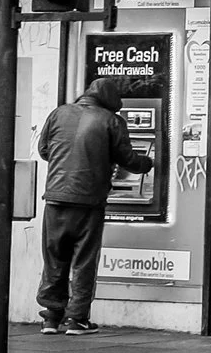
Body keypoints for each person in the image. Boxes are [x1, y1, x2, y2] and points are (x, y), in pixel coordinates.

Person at [35, 76, 155, 334]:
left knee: (54, 259)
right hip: (88, 201)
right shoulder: (111, 120)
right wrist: (149, 163)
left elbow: (44, 150)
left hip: (55, 198)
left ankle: (51, 317)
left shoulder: (58, 113)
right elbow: (128, 160)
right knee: (84, 261)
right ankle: (76, 319)